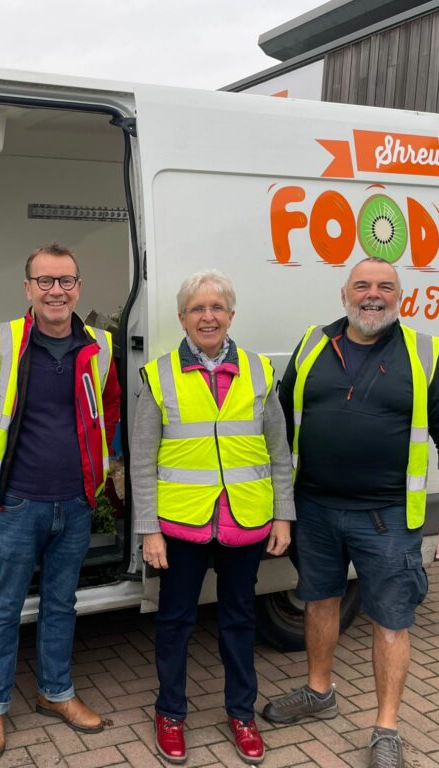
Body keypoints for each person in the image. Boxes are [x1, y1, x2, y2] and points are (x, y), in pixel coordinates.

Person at [264, 257, 439, 768]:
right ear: (345, 294)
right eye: (362, 286)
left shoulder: (425, 353)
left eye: (384, 287)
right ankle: (319, 692)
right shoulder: (315, 343)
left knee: (390, 621)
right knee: (318, 601)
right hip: (314, 506)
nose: (372, 295)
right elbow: (279, 414)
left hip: (386, 517)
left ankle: (386, 728)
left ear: (399, 297)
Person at [0, 242, 121, 760]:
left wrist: (97, 465)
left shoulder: (100, 346)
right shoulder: (2, 343)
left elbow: (108, 406)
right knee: (4, 608)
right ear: (28, 289)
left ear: (79, 288)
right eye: (45, 281)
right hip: (19, 504)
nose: (56, 290)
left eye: (65, 281)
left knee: (62, 605)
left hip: (76, 504)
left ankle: (55, 693)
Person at [132, 269, 294, 765]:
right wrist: (148, 530)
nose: (208, 316)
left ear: (230, 314)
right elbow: (142, 459)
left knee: (240, 620)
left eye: (216, 307)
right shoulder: (159, 376)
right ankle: (170, 713)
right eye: (197, 309)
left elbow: (278, 450)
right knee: (176, 621)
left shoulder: (260, 371)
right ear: (182, 318)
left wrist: (283, 516)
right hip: (181, 526)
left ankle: (241, 714)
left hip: (245, 521)